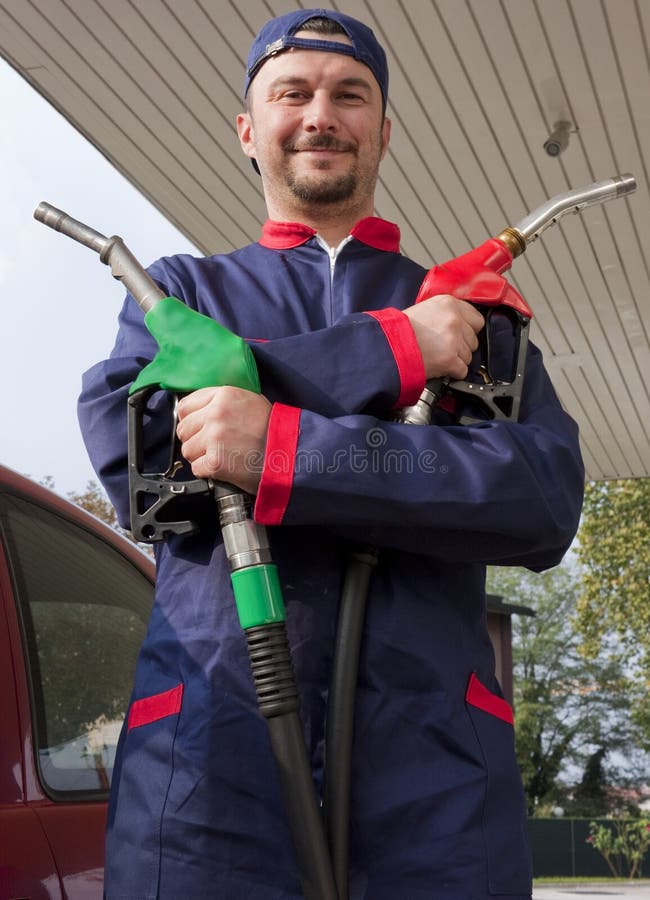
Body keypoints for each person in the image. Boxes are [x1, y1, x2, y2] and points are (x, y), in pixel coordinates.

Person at [78, 9, 584, 899]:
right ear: (248, 128)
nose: (322, 114)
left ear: (383, 131)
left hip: (438, 788)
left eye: (350, 95)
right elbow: (146, 466)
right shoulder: (181, 292)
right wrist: (391, 354)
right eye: (293, 93)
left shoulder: (469, 316)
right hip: (205, 775)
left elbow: (541, 500)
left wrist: (284, 450)